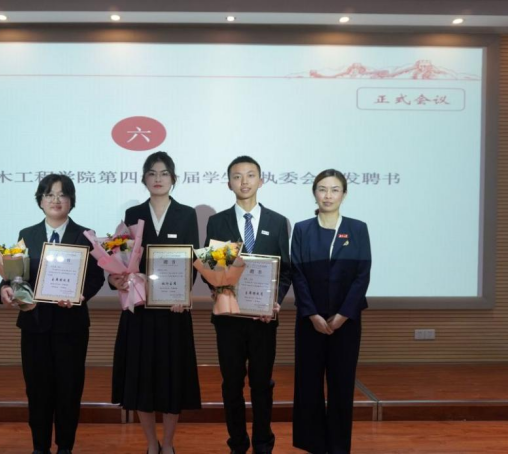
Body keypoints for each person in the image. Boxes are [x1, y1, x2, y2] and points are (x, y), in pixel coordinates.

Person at [0, 174, 105, 454]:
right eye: (49, 194)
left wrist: (81, 296)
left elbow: (96, 277)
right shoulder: (27, 234)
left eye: (62, 194)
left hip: (71, 327)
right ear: (40, 200)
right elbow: (14, 275)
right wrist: (6, 289)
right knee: (37, 390)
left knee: (69, 390)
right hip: (34, 326)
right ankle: (40, 448)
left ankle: (65, 447)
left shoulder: (86, 235)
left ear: (71, 200)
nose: (56, 200)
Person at [110, 151, 201, 454]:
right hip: (140, 311)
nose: (158, 179)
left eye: (164, 173)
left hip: (174, 311)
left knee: (173, 380)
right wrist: (118, 279)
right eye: (152, 173)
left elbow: (192, 261)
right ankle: (151, 444)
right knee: (141, 381)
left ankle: (169, 444)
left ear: (173, 178)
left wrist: (182, 295)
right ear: (144, 178)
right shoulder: (133, 214)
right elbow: (122, 260)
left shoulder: (186, 214)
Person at [203, 155, 291, 454]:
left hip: (263, 320)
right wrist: (220, 290)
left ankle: (263, 443)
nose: (244, 181)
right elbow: (213, 269)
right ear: (229, 183)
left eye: (250, 175)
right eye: (237, 176)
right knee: (231, 385)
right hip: (228, 319)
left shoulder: (278, 222)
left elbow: (285, 270)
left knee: (262, 384)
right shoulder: (218, 222)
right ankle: (237, 443)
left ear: (261, 181)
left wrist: (274, 301)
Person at [291, 169, 371, 454]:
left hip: (345, 322)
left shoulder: (357, 228)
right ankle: (312, 444)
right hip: (309, 321)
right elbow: (297, 273)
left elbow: (362, 275)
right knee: (309, 385)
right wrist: (312, 314)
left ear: (344, 194)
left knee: (341, 385)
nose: (328, 195)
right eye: (322, 189)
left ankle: (338, 446)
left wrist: (342, 315)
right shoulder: (302, 229)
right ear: (314, 193)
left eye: (334, 190)